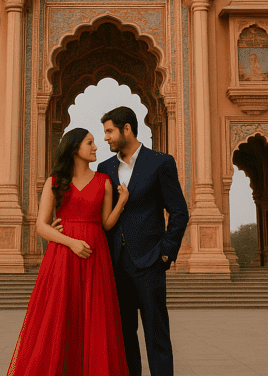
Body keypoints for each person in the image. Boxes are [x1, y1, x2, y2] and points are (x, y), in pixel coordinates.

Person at [7, 127, 131, 376]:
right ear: (75, 148)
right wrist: (70, 242)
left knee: (95, 318)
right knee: (60, 316)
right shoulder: (55, 181)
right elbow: (41, 225)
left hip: (95, 255)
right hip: (63, 255)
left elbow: (106, 223)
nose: (95, 147)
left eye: (95, 142)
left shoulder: (103, 182)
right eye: (90, 143)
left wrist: (122, 202)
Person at [97, 106, 189, 376]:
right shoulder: (106, 168)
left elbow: (179, 212)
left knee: (156, 334)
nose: (106, 138)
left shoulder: (160, 162)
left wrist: (165, 253)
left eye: (109, 131)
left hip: (150, 262)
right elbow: (100, 214)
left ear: (127, 129)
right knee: (124, 336)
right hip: (117, 265)